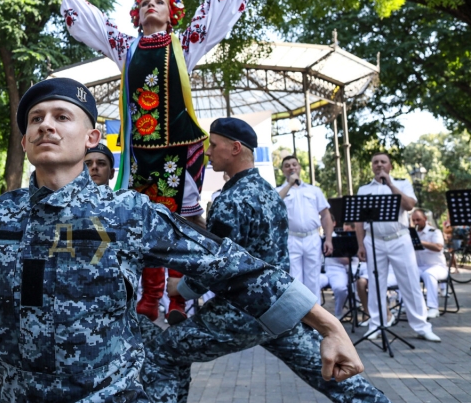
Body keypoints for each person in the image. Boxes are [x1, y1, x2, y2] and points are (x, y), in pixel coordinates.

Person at [0, 78, 365, 402]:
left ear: (93, 137)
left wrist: (325, 324)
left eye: (61, 116)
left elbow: (228, 264)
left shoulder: (128, 213)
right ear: (23, 141)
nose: (46, 126)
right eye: (35, 119)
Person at [51, 0, 270, 324]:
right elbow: (97, 23)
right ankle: (149, 297)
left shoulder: (185, 44)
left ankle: (178, 300)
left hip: (180, 148)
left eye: (160, 2)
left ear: (172, 14)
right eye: (145, 3)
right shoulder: (126, 48)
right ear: (136, 16)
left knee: (181, 220)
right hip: (141, 151)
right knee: (145, 220)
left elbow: (215, 12)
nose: (151, 5)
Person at [142, 118, 388, 403]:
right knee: (333, 373)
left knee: (165, 351)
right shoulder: (269, 193)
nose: (208, 152)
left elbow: (215, 266)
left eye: (214, 144)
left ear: (235, 148)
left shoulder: (231, 199)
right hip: (279, 307)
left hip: (241, 311)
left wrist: (180, 289)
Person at [355, 152, 440, 342]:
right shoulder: (364, 189)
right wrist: (360, 244)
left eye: (383, 162)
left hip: (399, 238)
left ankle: (422, 326)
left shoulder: (402, 184)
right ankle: (376, 324)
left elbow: (409, 205)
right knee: (376, 284)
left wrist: (391, 185)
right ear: (372, 166)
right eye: (375, 162)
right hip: (373, 239)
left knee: (410, 282)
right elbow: (359, 221)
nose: (379, 165)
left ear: (390, 166)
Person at [278, 155, 333, 299]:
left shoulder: (314, 190)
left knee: (313, 279)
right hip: (291, 238)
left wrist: (328, 239)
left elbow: (326, 215)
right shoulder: (279, 190)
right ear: (283, 170)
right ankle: (298, 318)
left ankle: (314, 319)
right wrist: (289, 185)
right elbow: (274, 205)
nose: (291, 167)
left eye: (294, 164)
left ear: (300, 168)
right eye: (287, 165)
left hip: (312, 238)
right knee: (294, 280)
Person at [412, 208, 448, 319]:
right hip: (419, 267)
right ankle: (408, 305)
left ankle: (433, 308)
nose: (416, 223)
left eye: (418, 219)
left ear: (425, 219)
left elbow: (438, 247)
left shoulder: (435, 232)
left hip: (437, 267)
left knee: (429, 274)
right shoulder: (411, 234)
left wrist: (419, 241)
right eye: (414, 220)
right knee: (406, 273)